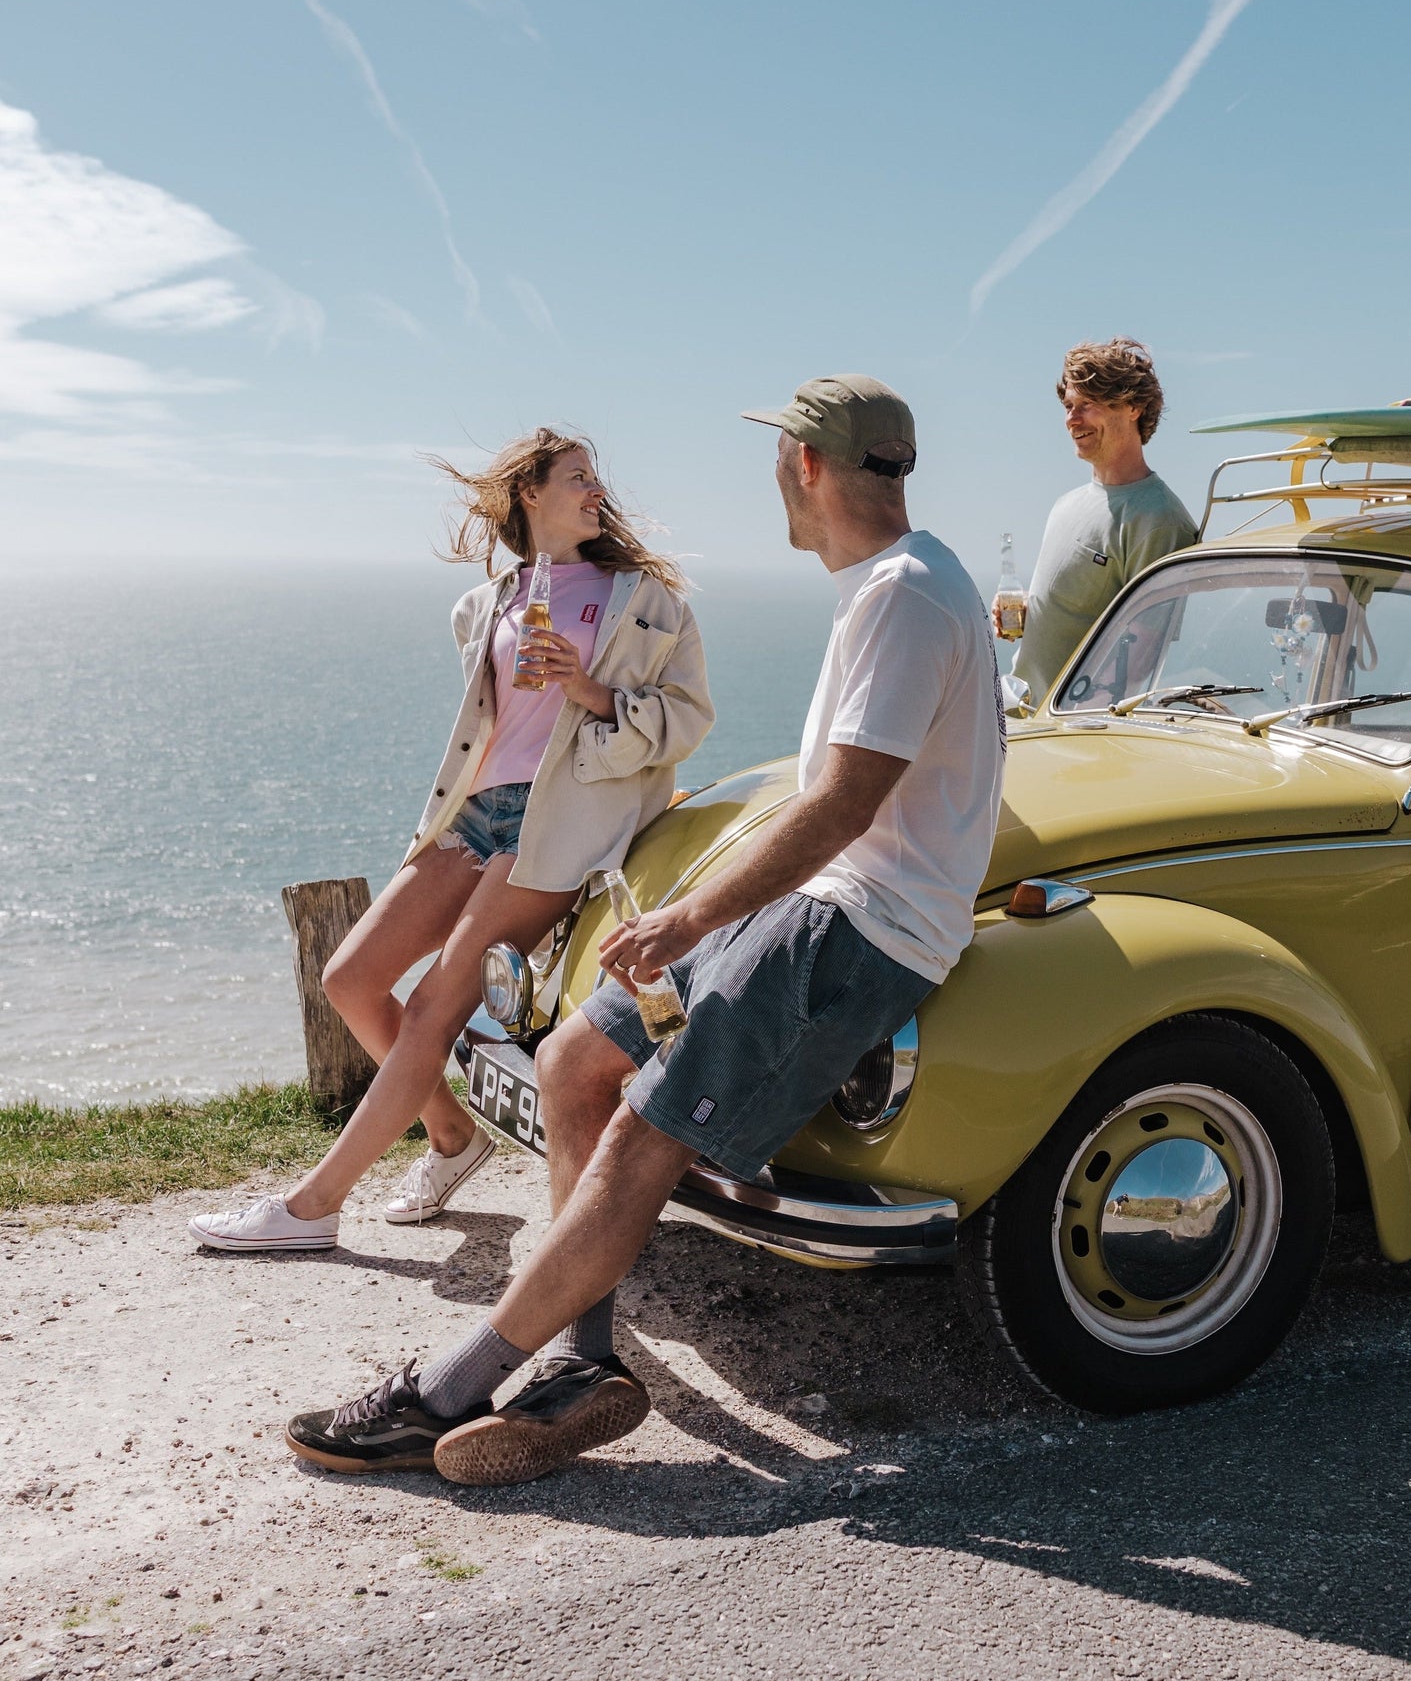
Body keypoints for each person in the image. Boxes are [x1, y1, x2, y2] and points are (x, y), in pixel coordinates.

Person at [282, 374, 1003, 1483]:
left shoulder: (908, 593)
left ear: (807, 466)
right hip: (805, 901)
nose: (774, 477)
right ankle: (585, 1364)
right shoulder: (891, 584)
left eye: (779, 459)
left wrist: (692, 914)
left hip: (860, 921)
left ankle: (444, 1392)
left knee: (640, 1132)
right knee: (574, 1061)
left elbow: (847, 802)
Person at [190, 429, 713, 1253]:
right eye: (576, 477)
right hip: (473, 818)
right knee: (351, 978)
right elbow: (485, 735)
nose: (595, 490)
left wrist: (587, 688)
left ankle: (312, 1205)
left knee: (437, 1004)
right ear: (530, 494)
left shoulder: (646, 600)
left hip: (555, 829)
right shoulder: (487, 604)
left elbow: (686, 720)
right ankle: (452, 1137)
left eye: (595, 477)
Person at [1009, 337, 1202, 708]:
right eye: (1068, 406)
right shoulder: (1066, 504)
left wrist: (1070, 721)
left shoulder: (1161, 519)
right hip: (1021, 715)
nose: (1072, 419)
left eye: (1088, 405)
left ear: (1134, 406)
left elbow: (1141, 655)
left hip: (1071, 730)